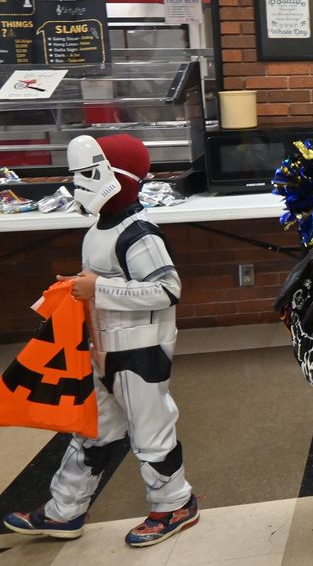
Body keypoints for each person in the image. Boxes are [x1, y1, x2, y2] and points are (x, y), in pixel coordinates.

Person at [4, 135, 199, 548]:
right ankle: (64, 510)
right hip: (100, 348)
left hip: (140, 351)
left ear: (117, 177)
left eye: (89, 174)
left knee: (151, 432)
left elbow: (167, 291)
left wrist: (98, 289)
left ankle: (174, 505)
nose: (81, 185)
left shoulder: (140, 233)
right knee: (92, 432)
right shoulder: (98, 230)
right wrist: (80, 288)